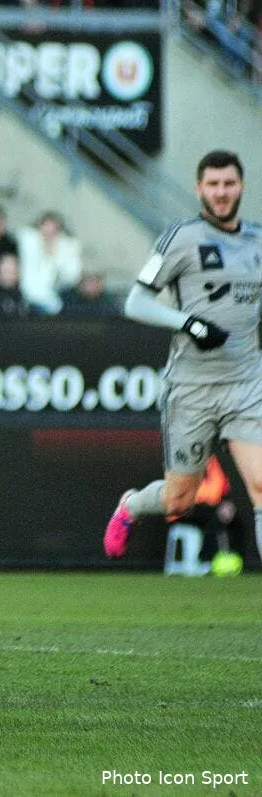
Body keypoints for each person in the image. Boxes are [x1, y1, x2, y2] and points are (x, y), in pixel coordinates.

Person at [104, 150, 262, 566]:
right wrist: (189, 323)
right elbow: (136, 302)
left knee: (261, 484)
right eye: (213, 184)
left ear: (241, 186)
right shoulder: (181, 238)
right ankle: (133, 505)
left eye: (229, 183)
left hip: (247, 383)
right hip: (192, 388)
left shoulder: (258, 240)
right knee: (181, 499)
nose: (222, 192)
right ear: (199, 188)